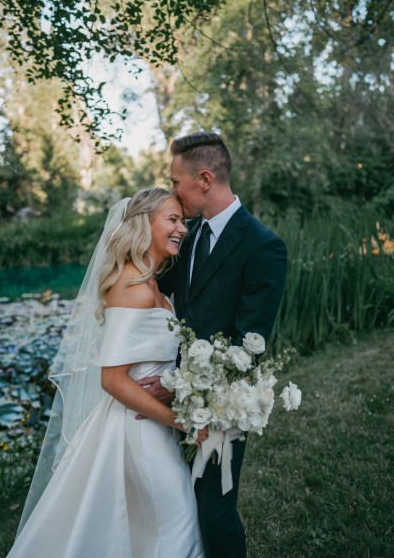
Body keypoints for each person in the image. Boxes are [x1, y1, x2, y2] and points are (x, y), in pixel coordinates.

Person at [6, 188, 206, 558]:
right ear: (145, 223)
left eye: (183, 220)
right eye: (173, 219)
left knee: (153, 526)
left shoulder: (152, 284)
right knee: (175, 521)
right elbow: (112, 380)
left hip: (151, 424)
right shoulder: (132, 286)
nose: (183, 229)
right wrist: (184, 424)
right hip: (139, 429)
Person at [138, 133, 287, 558]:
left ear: (204, 179)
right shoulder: (184, 233)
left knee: (214, 510)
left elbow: (249, 344)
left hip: (221, 403)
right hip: (167, 398)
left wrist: (181, 387)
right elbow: (159, 291)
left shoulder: (263, 246)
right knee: (175, 504)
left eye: (176, 182)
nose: (172, 191)